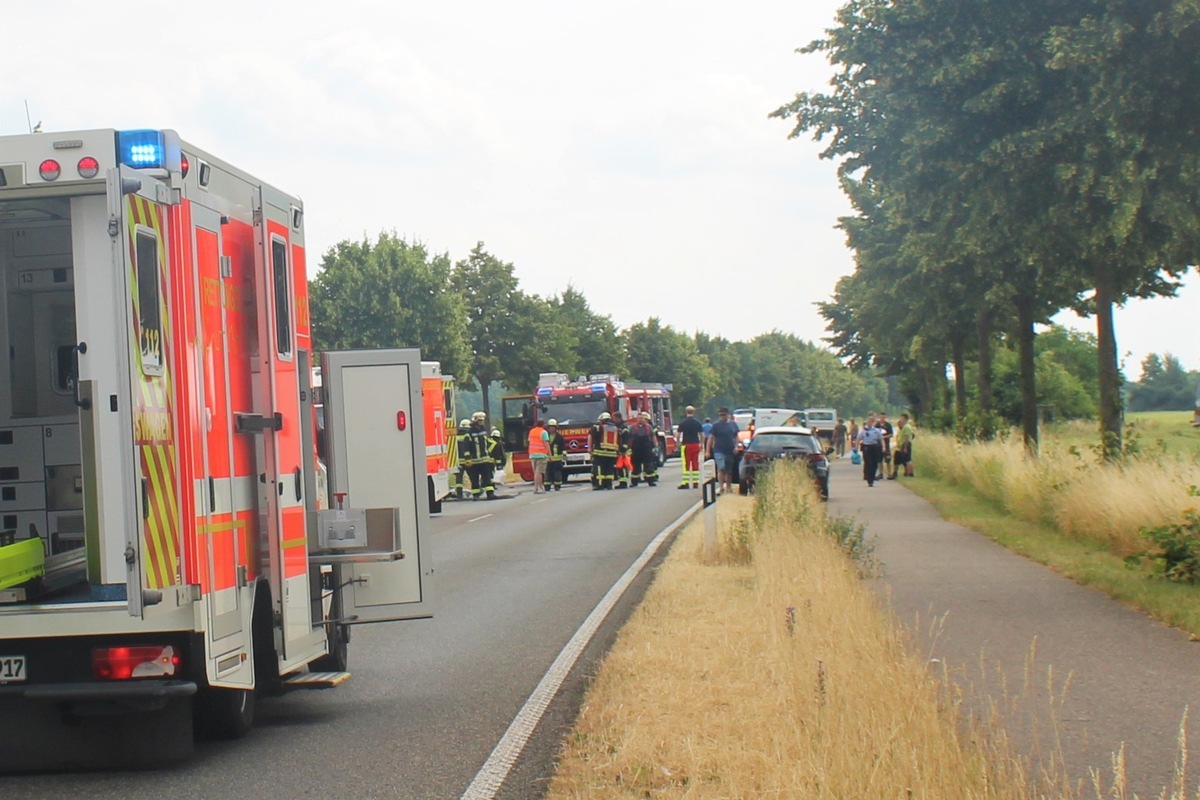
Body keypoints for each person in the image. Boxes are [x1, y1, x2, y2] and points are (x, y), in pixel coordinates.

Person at [705, 407, 740, 495]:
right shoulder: (716, 425)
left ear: (728, 415)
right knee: (721, 468)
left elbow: (736, 437)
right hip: (719, 450)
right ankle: (721, 487)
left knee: (729, 470)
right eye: (720, 415)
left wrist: (736, 446)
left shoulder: (733, 425)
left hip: (730, 450)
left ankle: (728, 487)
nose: (722, 417)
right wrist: (707, 451)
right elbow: (711, 438)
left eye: (724, 415)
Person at [676, 405, 704, 489]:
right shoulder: (697, 423)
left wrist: (678, 444)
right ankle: (696, 482)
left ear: (686, 412)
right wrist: (702, 444)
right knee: (695, 463)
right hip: (696, 445)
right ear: (694, 412)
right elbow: (702, 434)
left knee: (686, 464)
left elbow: (678, 435)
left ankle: (686, 482)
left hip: (686, 445)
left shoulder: (683, 423)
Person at [628, 411, 658, 487]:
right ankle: (634, 482)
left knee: (648, 466)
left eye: (642, 418)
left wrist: (656, 446)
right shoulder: (632, 428)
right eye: (639, 418)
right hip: (636, 450)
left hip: (646, 449)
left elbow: (653, 437)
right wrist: (629, 448)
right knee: (635, 467)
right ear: (637, 419)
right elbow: (629, 439)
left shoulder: (649, 427)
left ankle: (651, 481)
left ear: (644, 419)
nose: (641, 420)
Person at [469, 414, 495, 500]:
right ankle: (476, 495)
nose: (482, 422)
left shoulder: (483, 430)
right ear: (475, 421)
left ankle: (490, 494)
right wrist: (468, 458)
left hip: (484, 460)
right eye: (480, 421)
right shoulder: (470, 432)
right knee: (474, 479)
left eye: (482, 420)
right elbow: (466, 446)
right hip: (474, 461)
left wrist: (489, 455)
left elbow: (487, 443)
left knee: (487, 477)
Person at [591, 412, 620, 490]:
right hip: (612, 453)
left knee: (600, 469)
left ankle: (600, 484)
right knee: (609, 469)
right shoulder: (615, 428)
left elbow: (593, 434)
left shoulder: (600, 427)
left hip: (600, 452)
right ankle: (609, 484)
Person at [856, 415, 884, 488]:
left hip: (874, 446)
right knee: (868, 463)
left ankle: (872, 476)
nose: (869, 423)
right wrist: (856, 447)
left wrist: (883, 447)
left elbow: (881, 439)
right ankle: (869, 480)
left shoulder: (876, 431)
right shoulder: (864, 431)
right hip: (867, 447)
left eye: (870, 422)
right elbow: (858, 439)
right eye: (868, 422)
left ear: (873, 423)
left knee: (875, 463)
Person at [889, 413, 916, 479]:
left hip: (905, 444)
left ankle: (910, 473)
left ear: (905, 419)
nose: (900, 420)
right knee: (897, 459)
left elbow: (907, 437)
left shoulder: (907, 427)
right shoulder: (903, 427)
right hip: (900, 446)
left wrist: (905, 447)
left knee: (907, 460)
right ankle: (895, 473)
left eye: (901, 418)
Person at [527, 418, 548, 493]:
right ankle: (539, 488)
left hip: (532, 454)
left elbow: (529, 441)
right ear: (543, 424)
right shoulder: (543, 432)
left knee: (535, 472)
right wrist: (550, 454)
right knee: (539, 472)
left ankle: (536, 487)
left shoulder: (531, 431)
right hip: (541, 455)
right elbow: (546, 443)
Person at [454, 418, 474, 499]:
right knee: (472, 477)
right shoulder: (469, 436)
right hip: (467, 460)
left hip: (458, 461)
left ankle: (459, 494)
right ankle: (476, 492)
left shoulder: (456, 437)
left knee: (459, 480)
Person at [545, 419, 567, 490]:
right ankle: (547, 485)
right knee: (547, 473)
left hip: (557, 459)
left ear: (556, 428)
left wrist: (564, 454)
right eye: (550, 427)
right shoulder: (546, 435)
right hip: (548, 459)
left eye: (553, 427)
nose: (551, 429)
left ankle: (557, 485)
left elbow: (563, 446)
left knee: (557, 473)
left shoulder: (559, 437)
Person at [612, 412, 631, 489]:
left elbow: (626, 439)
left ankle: (623, 483)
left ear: (618, 418)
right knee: (620, 467)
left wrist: (623, 449)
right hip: (619, 450)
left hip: (623, 451)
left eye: (614, 418)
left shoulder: (624, 428)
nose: (613, 420)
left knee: (622, 467)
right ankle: (622, 482)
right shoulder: (618, 426)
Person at [876, 412, 893, 481]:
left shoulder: (888, 425)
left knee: (888, 460)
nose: (882, 419)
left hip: (886, 444)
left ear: (885, 417)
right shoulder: (877, 425)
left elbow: (891, 434)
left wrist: (884, 437)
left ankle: (889, 473)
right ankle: (881, 473)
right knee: (879, 460)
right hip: (878, 445)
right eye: (881, 417)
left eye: (883, 417)